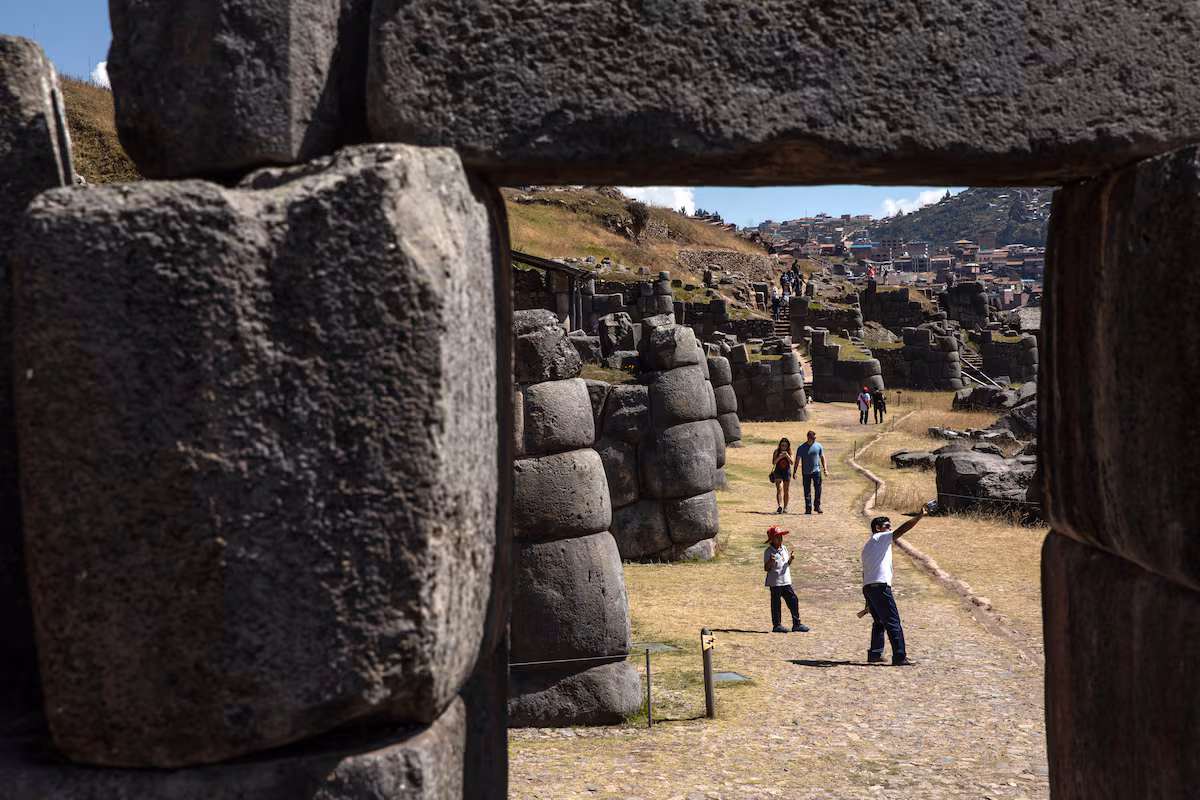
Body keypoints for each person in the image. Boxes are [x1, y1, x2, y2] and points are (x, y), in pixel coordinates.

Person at [861, 507, 928, 665]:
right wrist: (919, 516)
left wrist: (867, 599)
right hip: (880, 587)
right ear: (878, 528)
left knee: (879, 622)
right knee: (893, 621)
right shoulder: (881, 537)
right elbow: (903, 529)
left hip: (869, 587)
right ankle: (899, 656)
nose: (890, 528)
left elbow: (865, 572)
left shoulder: (868, 546)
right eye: (887, 525)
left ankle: (875, 653)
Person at [764, 526, 809, 633]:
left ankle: (796, 623)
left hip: (786, 581)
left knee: (793, 600)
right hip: (775, 583)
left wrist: (791, 560)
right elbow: (766, 568)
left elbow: (786, 564)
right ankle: (777, 625)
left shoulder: (784, 549)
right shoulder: (768, 551)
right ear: (772, 539)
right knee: (776, 604)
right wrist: (770, 561)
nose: (780, 539)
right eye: (777, 537)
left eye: (781, 536)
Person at [792, 430, 827, 514]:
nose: (814, 439)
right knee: (807, 490)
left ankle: (817, 506)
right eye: (813, 438)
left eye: (815, 438)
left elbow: (822, 457)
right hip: (806, 472)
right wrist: (795, 472)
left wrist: (825, 469)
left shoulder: (818, 446)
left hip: (816, 471)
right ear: (808, 438)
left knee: (818, 489)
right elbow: (797, 460)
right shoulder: (801, 447)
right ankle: (808, 508)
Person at [770, 438, 794, 514]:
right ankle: (780, 506)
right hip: (778, 472)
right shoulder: (776, 452)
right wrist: (779, 457)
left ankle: (785, 506)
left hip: (786, 472)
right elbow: (774, 462)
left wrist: (787, 456)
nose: (783, 447)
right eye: (782, 445)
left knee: (786, 490)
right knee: (779, 489)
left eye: (785, 446)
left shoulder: (789, 452)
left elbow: (791, 462)